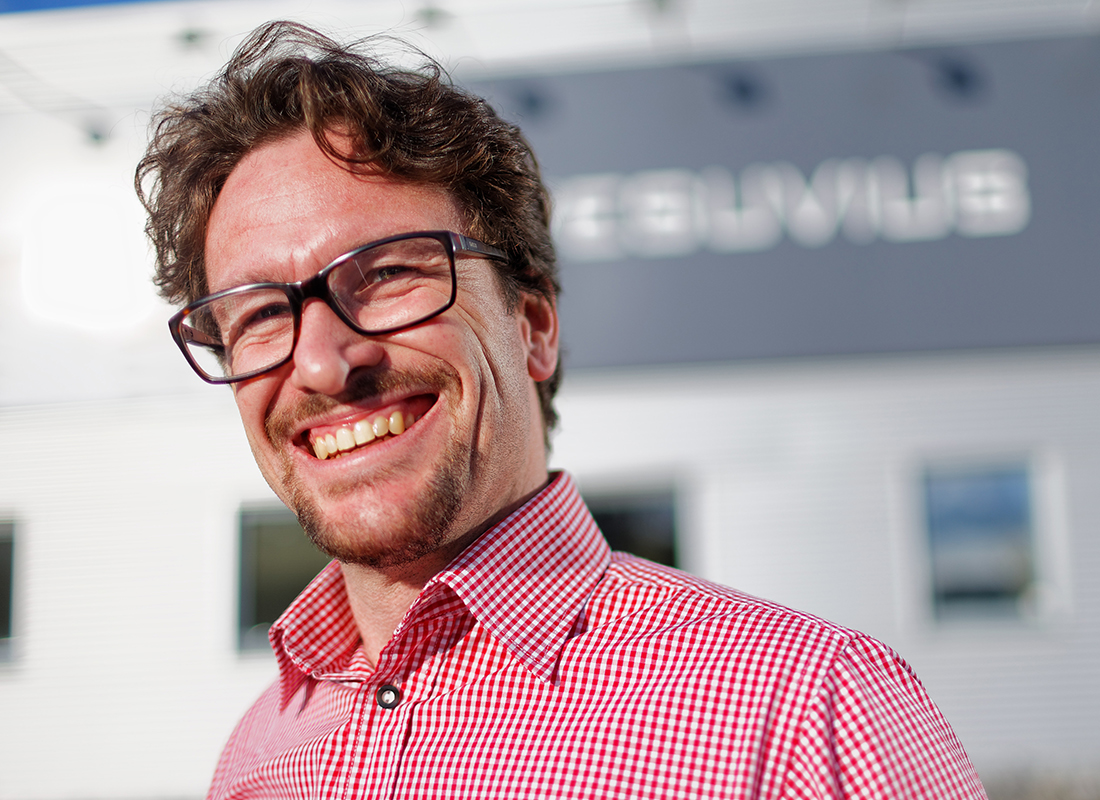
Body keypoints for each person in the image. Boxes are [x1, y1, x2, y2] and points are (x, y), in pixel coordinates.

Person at [138, 21, 988, 800]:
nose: (323, 361)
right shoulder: (255, 755)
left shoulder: (807, 714)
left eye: (390, 273)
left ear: (533, 328)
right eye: (259, 314)